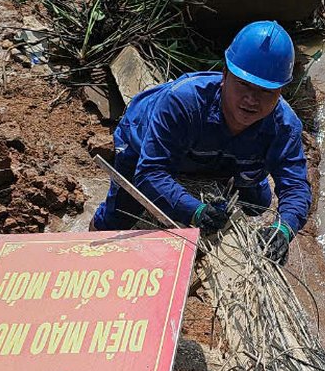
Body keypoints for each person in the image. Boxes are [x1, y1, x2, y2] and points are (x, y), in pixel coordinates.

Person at [91, 20, 311, 265]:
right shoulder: (183, 102)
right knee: (118, 216)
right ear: (225, 75)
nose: (251, 99)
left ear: (281, 91)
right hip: (144, 139)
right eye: (243, 85)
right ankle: (88, 249)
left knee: (259, 203)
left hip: (220, 156)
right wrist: (195, 211)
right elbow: (151, 172)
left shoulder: (285, 126)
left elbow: (296, 188)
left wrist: (284, 229)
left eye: (265, 91)